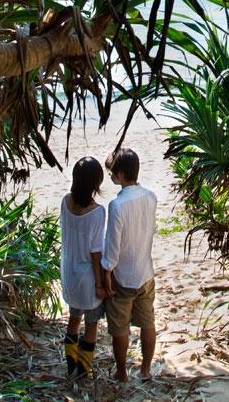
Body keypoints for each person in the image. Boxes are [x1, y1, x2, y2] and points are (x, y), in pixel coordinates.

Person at [101, 148, 158, 382]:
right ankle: (145, 369)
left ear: (122, 174)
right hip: (146, 272)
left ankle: (122, 371)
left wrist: (106, 272)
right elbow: (151, 230)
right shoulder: (150, 196)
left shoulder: (117, 205)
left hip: (123, 276)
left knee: (120, 327)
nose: (111, 175)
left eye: (113, 172)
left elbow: (113, 247)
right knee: (147, 322)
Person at [60, 156, 108, 380]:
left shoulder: (65, 202)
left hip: (69, 273)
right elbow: (96, 251)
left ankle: (71, 366)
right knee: (91, 325)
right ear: (95, 183)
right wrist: (100, 284)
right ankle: (83, 370)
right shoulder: (97, 212)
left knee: (73, 320)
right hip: (88, 278)